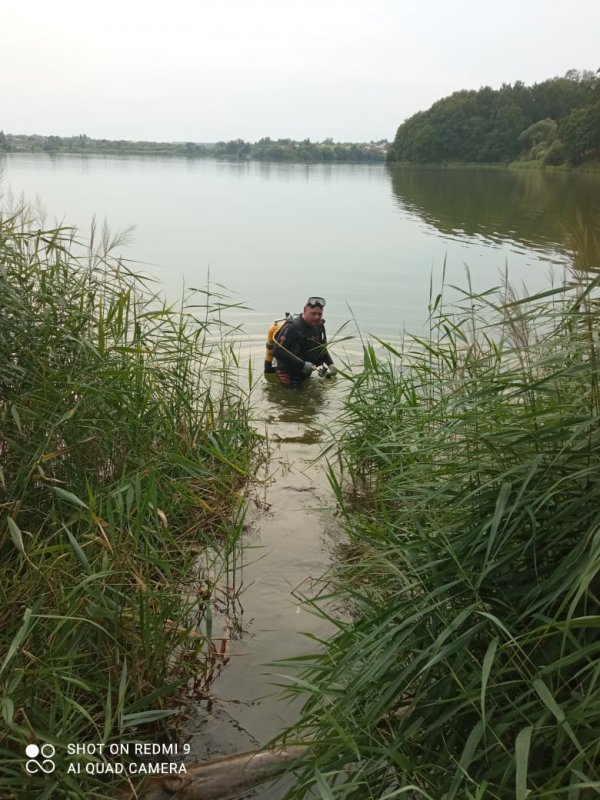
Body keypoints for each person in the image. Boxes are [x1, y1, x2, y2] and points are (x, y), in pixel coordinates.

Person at [272, 296, 337, 386]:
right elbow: (277, 351)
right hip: (288, 373)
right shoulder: (292, 327)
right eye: (313, 313)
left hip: (305, 371)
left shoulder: (319, 326)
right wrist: (302, 365)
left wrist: (330, 364)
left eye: (320, 314)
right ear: (305, 310)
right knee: (291, 397)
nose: (317, 317)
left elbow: (321, 348)